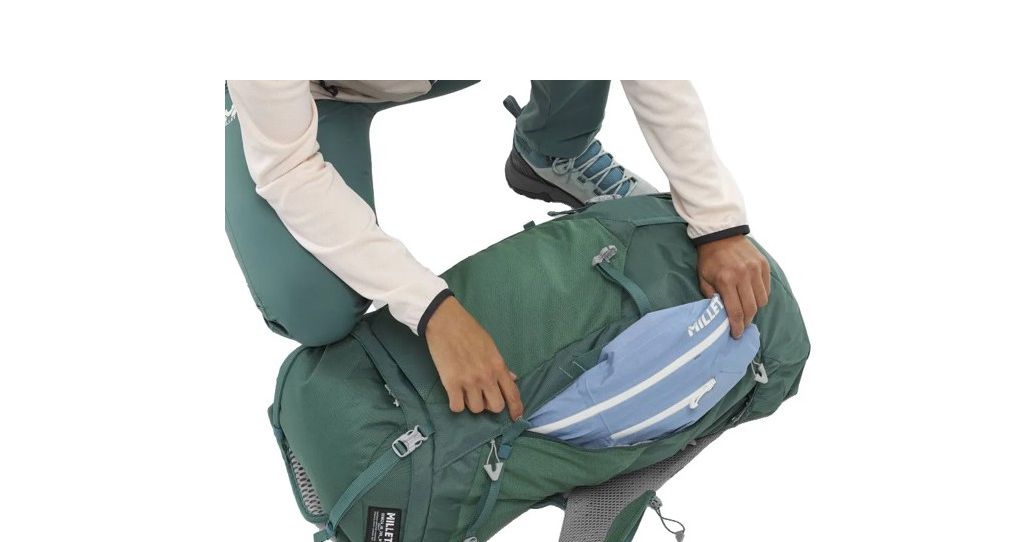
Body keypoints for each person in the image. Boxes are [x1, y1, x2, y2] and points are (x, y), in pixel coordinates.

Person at [224, 80, 770, 421]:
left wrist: (717, 223)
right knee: (313, 305)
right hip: (317, 92)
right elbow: (289, 170)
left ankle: (553, 148)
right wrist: (431, 309)